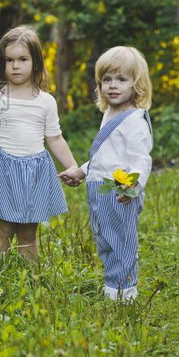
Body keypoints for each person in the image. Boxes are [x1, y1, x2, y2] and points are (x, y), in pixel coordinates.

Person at [0, 26, 82, 263]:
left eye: (22, 59)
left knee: (29, 233)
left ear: (36, 62)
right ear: (2, 63)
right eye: (9, 60)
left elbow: (54, 138)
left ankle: (30, 277)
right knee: (4, 229)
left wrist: (73, 166)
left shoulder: (46, 102)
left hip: (34, 172)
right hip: (5, 171)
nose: (15, 65)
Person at [60, 46, 153, 301]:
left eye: (121, 79)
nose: (113, 85)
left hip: (119, 190)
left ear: (137, 83)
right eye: (106, 79)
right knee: (105, 238)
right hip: (100, 189)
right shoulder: (111, 113)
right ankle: (114, 285)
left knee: (122, 241)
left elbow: (140, 160)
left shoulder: (134, 121)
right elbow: (106, 157)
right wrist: (81, 171)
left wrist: (132, 186)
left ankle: (124, 293)